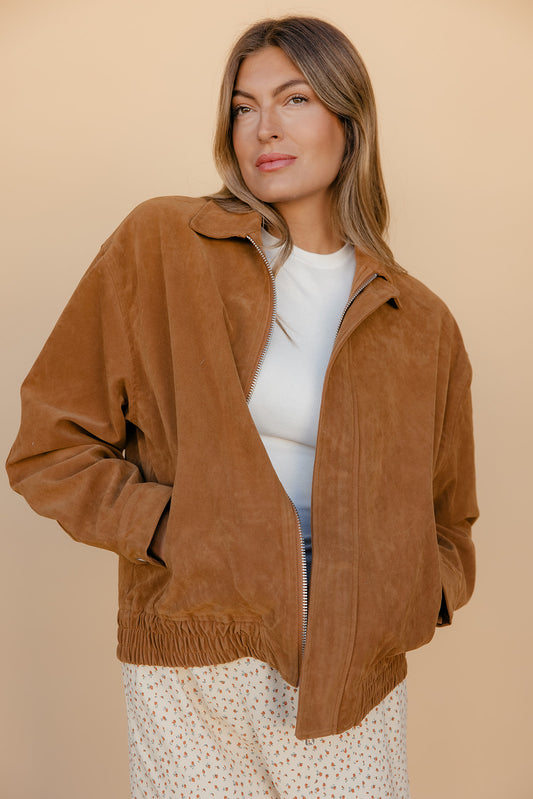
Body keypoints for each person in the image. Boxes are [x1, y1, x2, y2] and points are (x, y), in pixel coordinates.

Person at [6, 15, 478, 799]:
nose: (264, 128)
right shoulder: (164, 243)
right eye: (242, 105)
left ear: (347, 118)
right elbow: (49, 445)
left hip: (352, 663)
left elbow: (448, 517)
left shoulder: (418, 320)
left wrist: (411, 594)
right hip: (196, 637)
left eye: (293, 98)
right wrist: (169, 528)